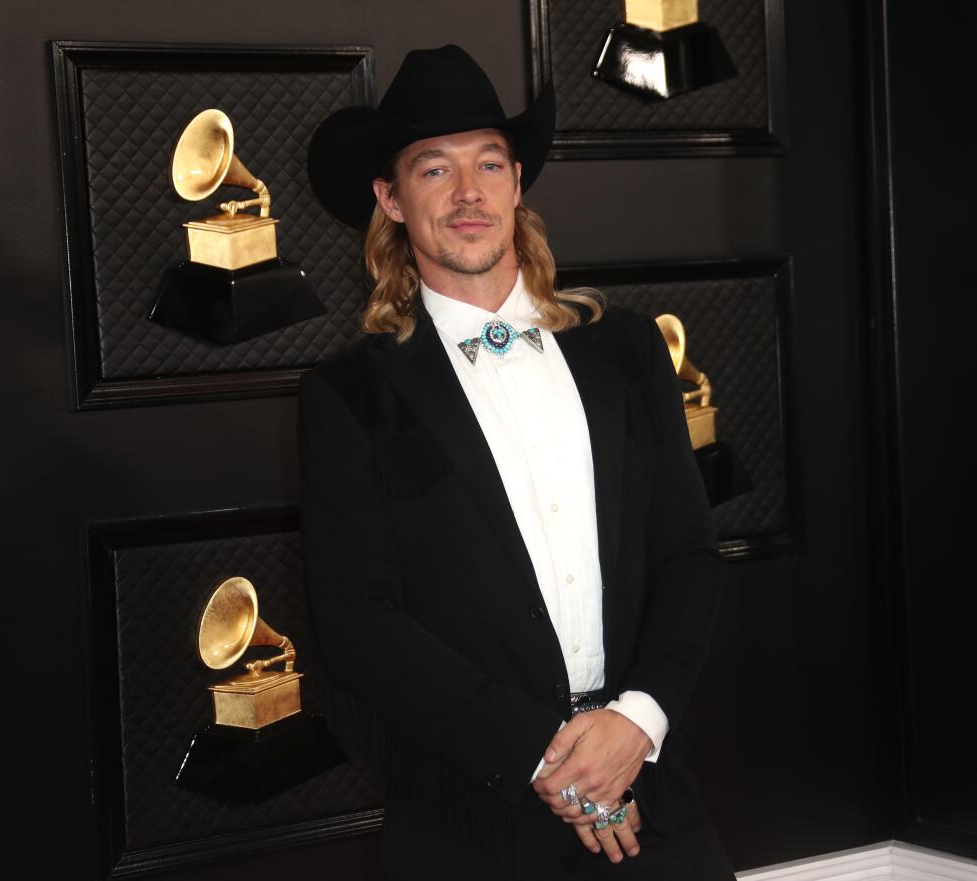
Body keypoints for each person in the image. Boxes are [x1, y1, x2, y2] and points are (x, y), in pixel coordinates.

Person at [302, 45, 733, 880]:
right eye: (434, 170)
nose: (469, 193)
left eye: (489, 163)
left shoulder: (629, 351)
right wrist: (544, 757)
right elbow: (358, 624)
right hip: (471, 808)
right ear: (390, 199)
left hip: (647, 783)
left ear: (517, 182)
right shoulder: (348, 393)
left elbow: (687, 555)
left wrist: (636, 721)